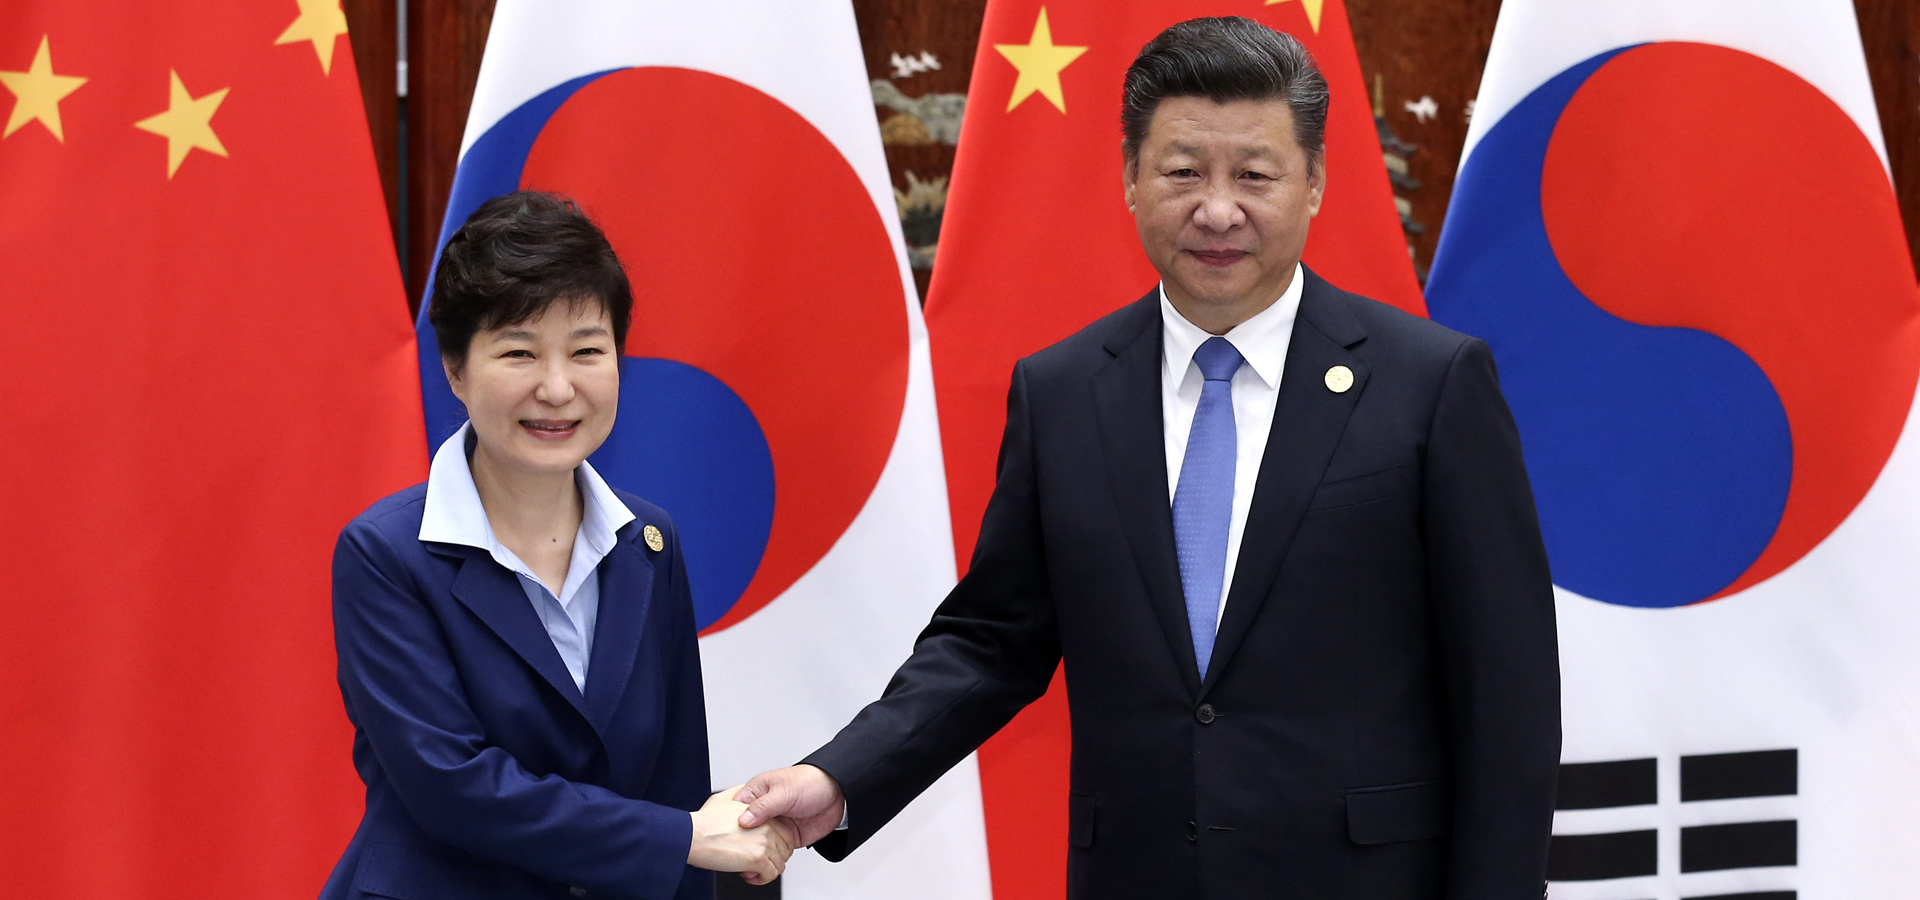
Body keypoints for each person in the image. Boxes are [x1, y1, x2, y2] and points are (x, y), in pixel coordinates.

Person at [736, 17, 1560, 899]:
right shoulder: (1062, 392)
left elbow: (1506, 695)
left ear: (1314, 182)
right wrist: (840, 777)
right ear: (1131, 179)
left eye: (1255, 175)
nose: (1218, 210)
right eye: (1183, 172)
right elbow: (992, 641)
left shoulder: (1430, 384)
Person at [319, 191, 794, 900]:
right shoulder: (386, 554)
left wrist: (690, 846)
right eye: (519, 352)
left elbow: (674, 782)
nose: (557, 387)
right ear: (455, 369)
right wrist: (682, 840)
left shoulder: (648, 542)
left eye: (587, 351)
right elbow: (453, 787)